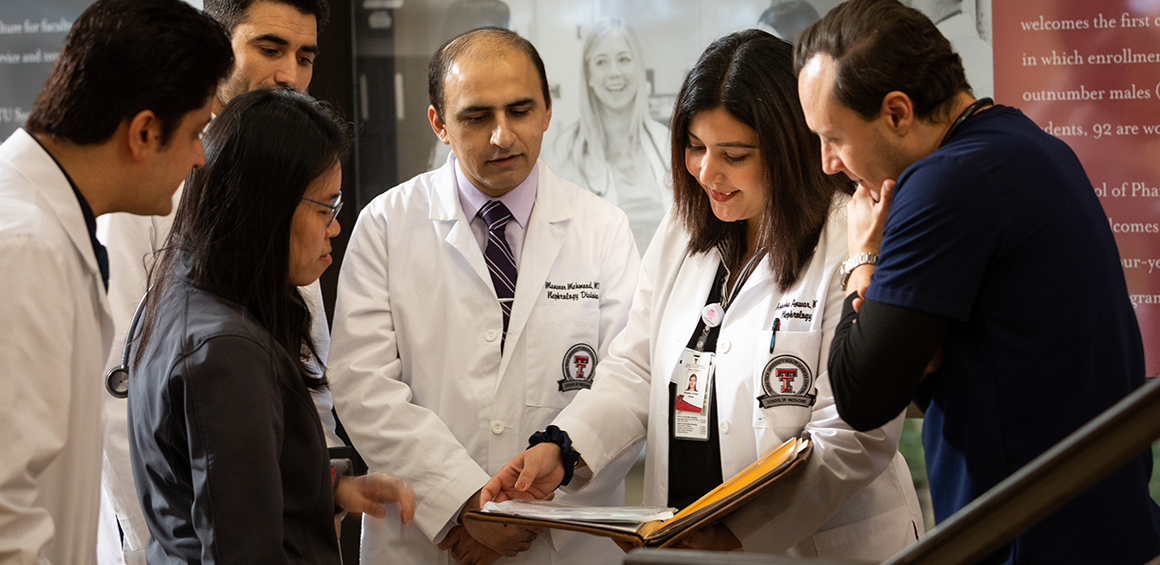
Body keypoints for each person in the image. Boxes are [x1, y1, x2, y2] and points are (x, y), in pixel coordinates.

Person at [482, 30, 923, 561]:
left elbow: (856, 432)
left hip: (817, 546)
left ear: (789, 148)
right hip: (687, 535)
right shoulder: (686, 226)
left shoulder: (847, 238)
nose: (707, 173)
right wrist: (564, 446)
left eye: (734, 154)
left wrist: (744, 530)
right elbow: (636, 366)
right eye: (695, 147)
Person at [794, 1, 1160, 563]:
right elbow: (916, 367)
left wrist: (862, 257)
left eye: (834, 137)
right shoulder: (1027, 145)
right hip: (1097, 525)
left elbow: (863, 393)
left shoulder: (946, 182)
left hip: (1027, 537)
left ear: (896, 112)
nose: (827, 164)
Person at [326, 27, 642, 564]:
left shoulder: (603, 228)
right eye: (476, 117)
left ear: (547, 111)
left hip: (562, 539)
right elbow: (362, 384)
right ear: (439, 124)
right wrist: (464, 505)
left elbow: (630, 375)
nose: (503, 136)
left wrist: (558, 463)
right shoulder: (385, 223)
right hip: (426, 541)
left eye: (520, 111)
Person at [127, 88, 416, 563]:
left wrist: (332, 487)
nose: (335, 228)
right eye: (326, 208)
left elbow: (219, 482)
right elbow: (242, 546)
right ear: (268, 207)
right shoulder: (227, 351)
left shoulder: (181, 291)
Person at [94, 1, 334, 562]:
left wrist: (315, 488)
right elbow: (122, 389)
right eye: (269, 49)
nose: (290, 76)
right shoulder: (148, 186)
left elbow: (306, 359)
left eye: (305, 57)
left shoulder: (283, 172)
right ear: (215, 46)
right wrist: (158, 540)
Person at [0, 1, 232, 562]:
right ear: (144, 132)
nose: (201, 158)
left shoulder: (50, 230)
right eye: (198, 131)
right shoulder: (23, 248)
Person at [547, 19, 671, 253]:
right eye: (601, 62)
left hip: (666, 288)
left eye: (624, 59)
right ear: (589, 76)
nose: (614, 72)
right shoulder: (563, 153)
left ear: (638, 68)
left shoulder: (665, 142)